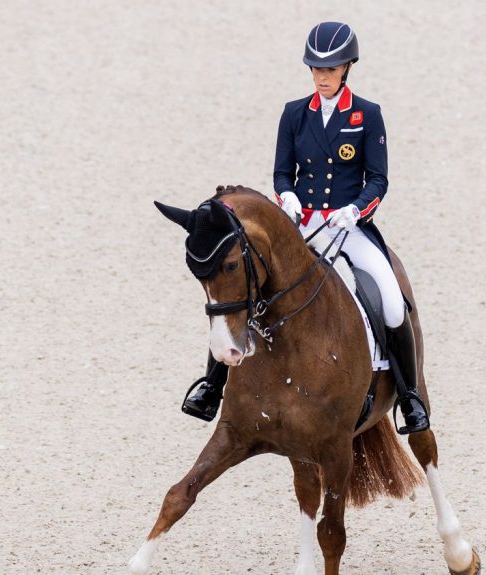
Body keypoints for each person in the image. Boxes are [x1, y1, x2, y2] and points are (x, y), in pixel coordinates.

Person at [181, 21, 429, 434]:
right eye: (316, 70)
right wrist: (289, 198)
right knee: (245, 285)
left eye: (329, 70)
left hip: (349, 227)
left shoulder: (367, 115)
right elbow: (283, 172)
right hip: (303, 225)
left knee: (389, 296)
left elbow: (378, 179)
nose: (322, 77)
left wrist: (355, 210)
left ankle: (409, 397)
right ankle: (213, 383)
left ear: (347, 67)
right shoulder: (295, 113)